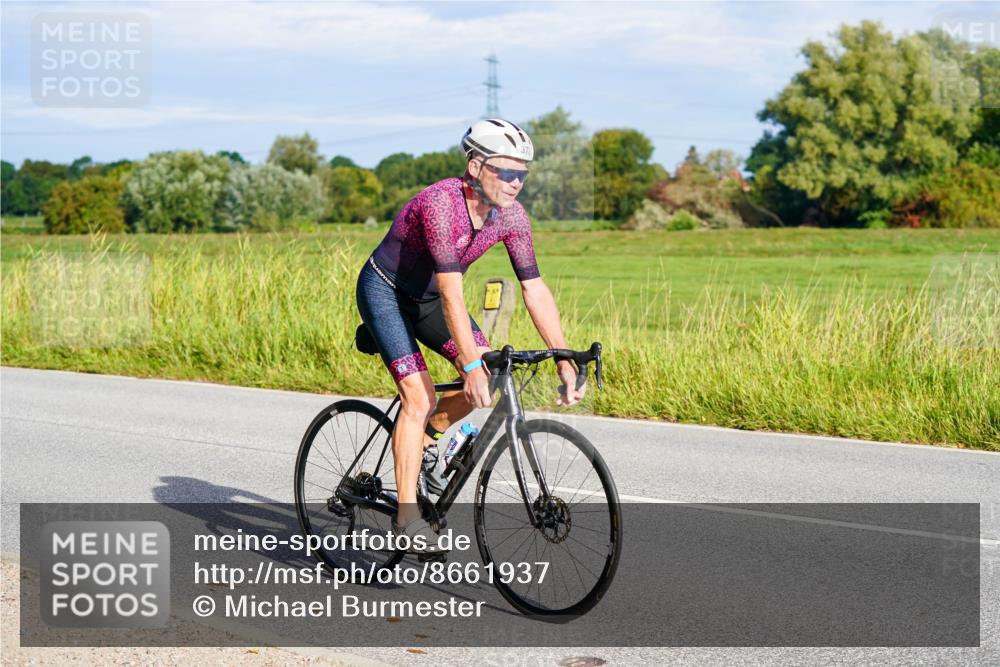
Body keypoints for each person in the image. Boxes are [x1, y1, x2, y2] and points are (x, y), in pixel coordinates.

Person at [356, 119, 584, 551]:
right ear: (476, 166)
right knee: (418, 396)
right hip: (386, 291)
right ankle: (406, 519)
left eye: (523, 173)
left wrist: (563, 357)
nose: (517, 182)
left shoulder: (512, 217)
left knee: (494, 375)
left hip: (430, 301)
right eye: (507, 171)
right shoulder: (441, 204)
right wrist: (471, 365)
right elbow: (451, 292)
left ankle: (425, 440)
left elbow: (534, 289)